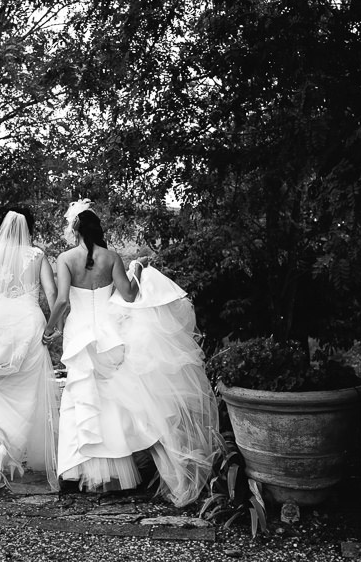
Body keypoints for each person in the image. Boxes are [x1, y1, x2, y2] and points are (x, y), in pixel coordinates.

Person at [44, 200, 219, 505]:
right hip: (111, 335)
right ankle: (113, 475)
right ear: (96, 228)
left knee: (82, 398)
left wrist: (50, 328)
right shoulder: (111, 257)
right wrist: (136, 269)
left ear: (75, 229)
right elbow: (128, 294)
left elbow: (61, 301)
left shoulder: (64, 258)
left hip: (80, 334)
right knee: (113, 402)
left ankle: (79, 472)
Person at [0, 208, 61, 491]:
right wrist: (55, 325)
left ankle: (1, 445)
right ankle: (13, 448)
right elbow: (52, 294)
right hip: (28, 325)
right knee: (28, 391)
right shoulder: (37, 254)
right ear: (29, 229)